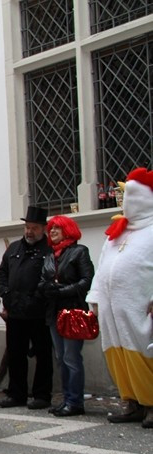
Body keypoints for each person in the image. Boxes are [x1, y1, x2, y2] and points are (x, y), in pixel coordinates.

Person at [86, 168, 153, 427]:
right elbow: (102, 267)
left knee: (143, 355)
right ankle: (131, 401)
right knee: (118, 355)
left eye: (129, 197)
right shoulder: (117, 233)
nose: (124, 203)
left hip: (140, 308)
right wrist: (95, 297)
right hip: (113, 310)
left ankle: (150, 403)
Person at [0, 206, 53, 409]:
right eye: (27, 227)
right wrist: (5, 293)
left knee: (43, 354)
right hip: (15, 312)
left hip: (39, 312)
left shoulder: (49, 250)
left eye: (34, 228)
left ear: (43, 229)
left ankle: (42, 395)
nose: (29, 231)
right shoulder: (14, 249)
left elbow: (49, 277)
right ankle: (16, 393)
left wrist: (35, 298)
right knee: (16, 353)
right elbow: (1, 274)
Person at [37, 215, 94, 417]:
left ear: (68, 230)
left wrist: (62, 291)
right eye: (51, 228)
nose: (52, 231)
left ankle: (75, 401)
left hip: (72, 311)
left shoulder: (79, 252)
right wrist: (48, 289)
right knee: (61, 357)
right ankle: (67, 399)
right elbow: (43, 281)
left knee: (71, 357)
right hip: (54, 312)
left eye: (57, 229)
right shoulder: (50, 256)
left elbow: (86, 280)